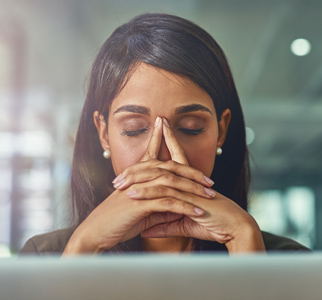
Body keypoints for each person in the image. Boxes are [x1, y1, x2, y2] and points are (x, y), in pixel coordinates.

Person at [20, 13, 309, 255]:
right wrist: (84, 247)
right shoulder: (48, 255)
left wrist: (245, 241)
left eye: (190, 128)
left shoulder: (286, 260)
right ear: (104, 134)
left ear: (221, 132)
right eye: (134, 129)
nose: (164, 154)